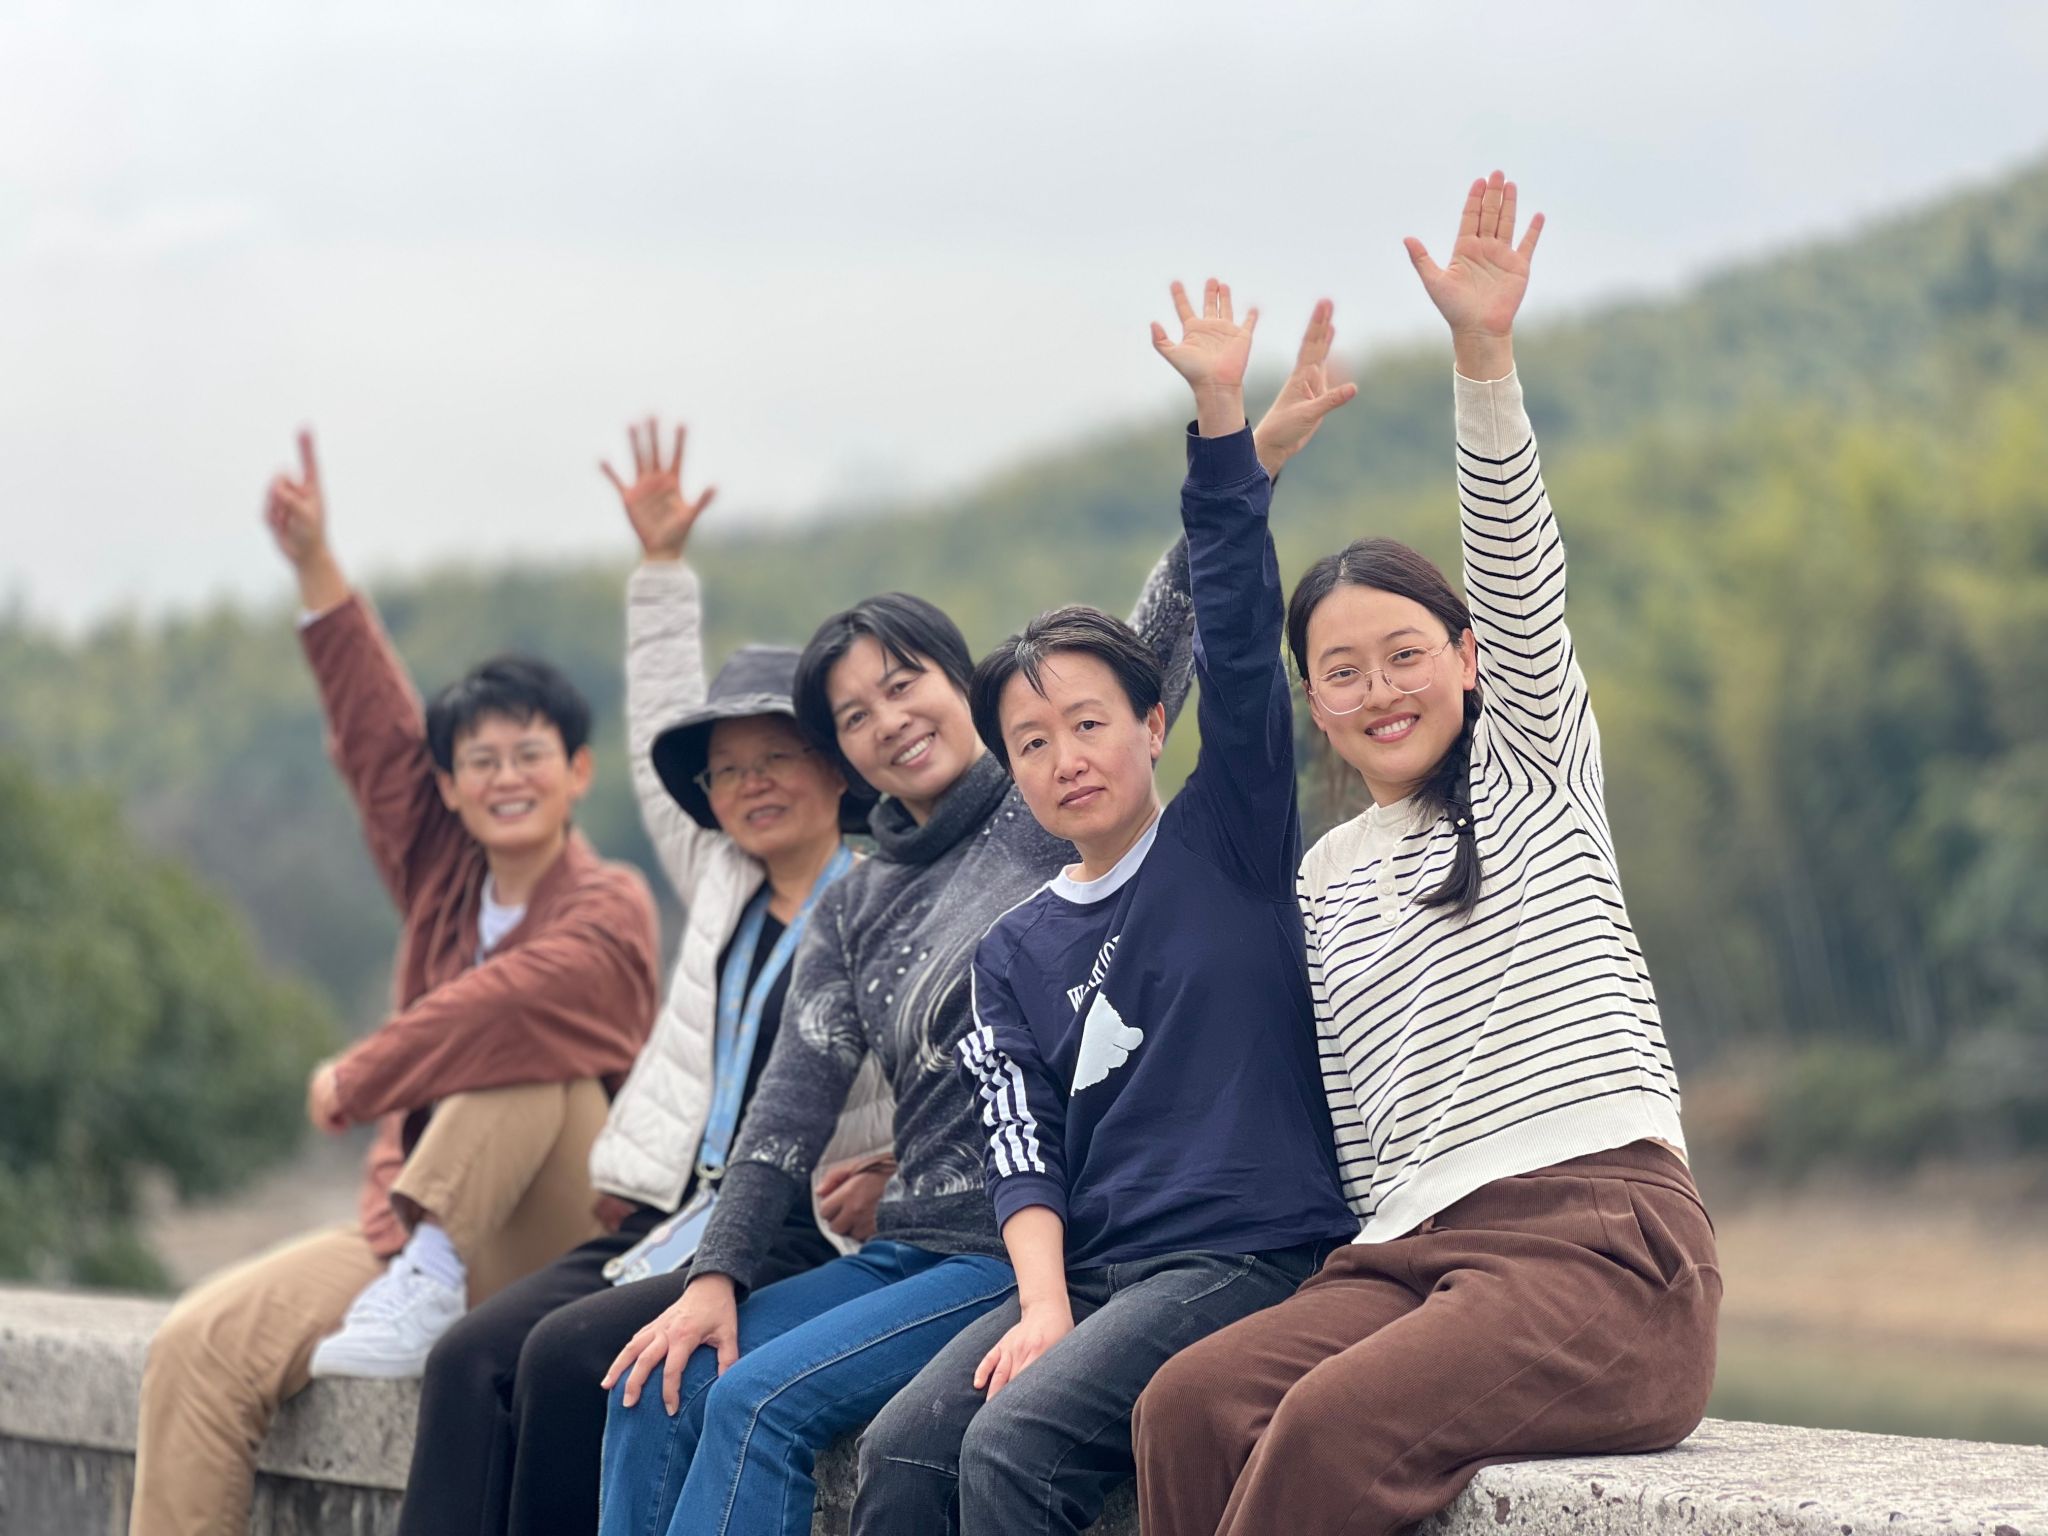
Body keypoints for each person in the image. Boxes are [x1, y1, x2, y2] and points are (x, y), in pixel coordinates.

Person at [593, 346, 1342, 1536]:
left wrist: (1230, 452)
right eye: (853, 715)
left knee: (894, 1428)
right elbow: (835, 1117)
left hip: (1170, 1247)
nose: (1064, 758)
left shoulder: (1173, 833)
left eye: (905, 685)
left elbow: (1212, 639)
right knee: (745, 1403)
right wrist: (716, 1276)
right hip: (1021, 1252)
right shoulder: (937, 923)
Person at [1132, 171, 1721, 1536]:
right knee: (1185, 1406)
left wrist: (1482, 359)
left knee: (1329, 1429)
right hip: (1409, 1257)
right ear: (1315, 702)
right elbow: (1343, 1120)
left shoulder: (1532, 774)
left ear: (1465, 660)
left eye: (1405, 654)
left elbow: (1517, 570)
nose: (1379, 690)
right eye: (1342, 672)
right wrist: (1222, 443)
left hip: (1603, 1253)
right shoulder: (1324, 875)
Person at [850, 286, 1360, 1536]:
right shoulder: (1013, 948)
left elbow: (1236, 632)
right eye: (1031, 741)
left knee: (1015, 1446)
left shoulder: (1225, 840)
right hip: (1094, 1271)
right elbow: (1018, 1148)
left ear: (1150, 724)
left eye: (1087, 724)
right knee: (903, 1449)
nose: (1064, 757)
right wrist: (1041, 1305)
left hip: (1244, 1255)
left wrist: (1222, 425)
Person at [131, 432, 662, 1536]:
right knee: (197, 1345)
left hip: (563, 1239)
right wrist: (315, 565)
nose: (506, 777)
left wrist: (364, 1073)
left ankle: (431, 1272)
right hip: (402, 1230)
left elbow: (514, 1003)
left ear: (576, 771)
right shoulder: (439, 873)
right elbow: (377, 734)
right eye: (480, 760)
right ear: (450, 787)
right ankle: (420, 1271)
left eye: (529, 754)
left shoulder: (610, 903)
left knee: (527, 1058)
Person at [393, 420, 897, 1536]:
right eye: (728, 773)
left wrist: (903, 1168)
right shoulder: (720, 879)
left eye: (777, 759)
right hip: (677, 1206)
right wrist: (660, 567)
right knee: (470, 1356)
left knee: (572, 1358)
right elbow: (657, 725)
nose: (751, 786)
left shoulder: (886, 898)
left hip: (796, 1228)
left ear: (834, 768)